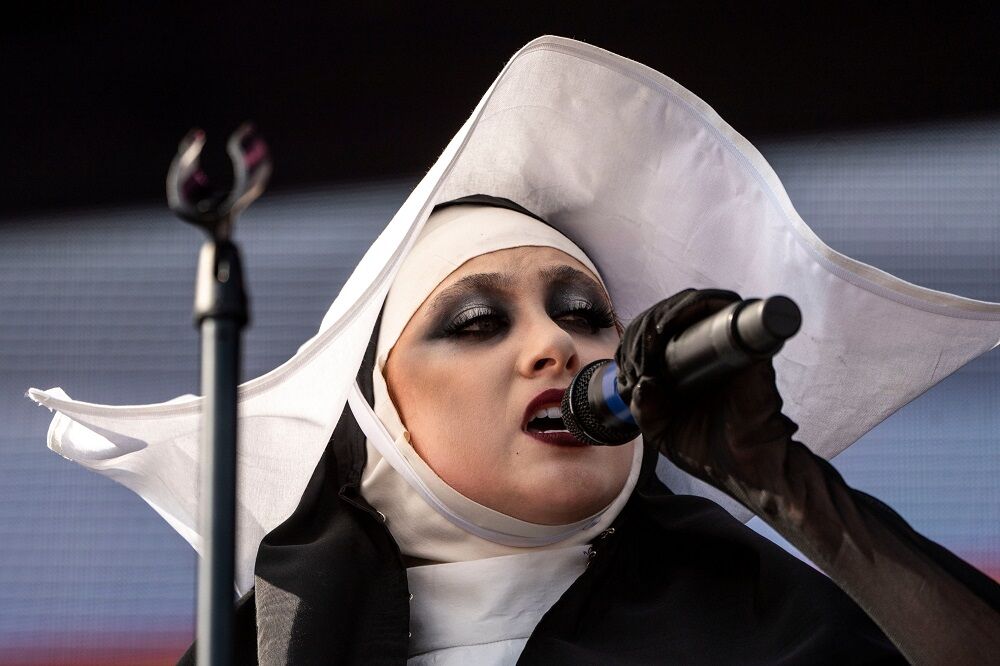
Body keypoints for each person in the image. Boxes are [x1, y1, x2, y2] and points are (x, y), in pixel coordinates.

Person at [29, 36, 1000, 664]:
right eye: (478, 321)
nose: (553, 346)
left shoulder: (769, 630)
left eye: (583, 316)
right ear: (378, 417)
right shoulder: (260, 650)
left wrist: (787, 485)